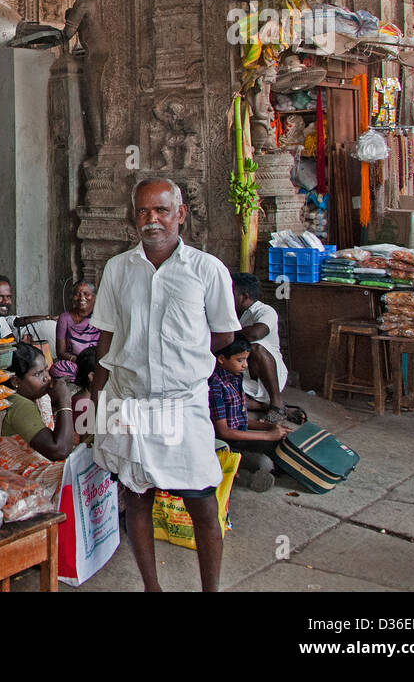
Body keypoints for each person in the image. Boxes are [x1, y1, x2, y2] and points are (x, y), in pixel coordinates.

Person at [89, 178, 241, 592]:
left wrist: (183, 354)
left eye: (160, 210)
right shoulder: (118, 269)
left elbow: (224, 335)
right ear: (133, 216)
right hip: (128, 398)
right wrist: (97, 398)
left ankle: (210, 589)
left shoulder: (207, 270)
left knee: (202, 499)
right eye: (143, 211)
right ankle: (151, 588)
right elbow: (106, 335)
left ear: (180, 214)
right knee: (137, 496)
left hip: (182, 401)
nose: (151, 219)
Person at [208, 338, 289, 492]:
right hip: (222, 443)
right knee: (264, 462)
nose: (245, 365)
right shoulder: (215, 385)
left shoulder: (235, 377)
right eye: (240, 360)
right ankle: (241, 477)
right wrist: (267, 435)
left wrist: (270, 427)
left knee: (283, 446)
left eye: (246, 359)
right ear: (221, 359)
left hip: (238, 437)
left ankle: (244, 472)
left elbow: (239, 420)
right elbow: (224, 431)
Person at [230, 272, 298, 423]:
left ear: (244, 296)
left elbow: (255, 333)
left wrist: (227, 332)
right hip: (244, 374)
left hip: (268, 376)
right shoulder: (234, 314)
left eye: (231, 293)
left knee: (256, 348)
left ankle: (276, 401)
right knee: (223, 400)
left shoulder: (265, 311)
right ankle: (271, 407)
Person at [1, 342, 76, 473]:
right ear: (15, 381)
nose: (47, 378)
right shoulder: (17, 404)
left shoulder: (41, 396)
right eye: (38, 374)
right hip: (18, 477)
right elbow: (59, 450)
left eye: (46, 370)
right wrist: (64, 402)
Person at [53, 280, 100, 385]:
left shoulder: (100, 318)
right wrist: (78, 361)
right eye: (77, 294)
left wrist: (89, 363)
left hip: (94, 363)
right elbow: (60, 353)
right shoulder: (64, 318)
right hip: (75, 363)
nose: (82, 298)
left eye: (86, 294)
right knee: (58, 368)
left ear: (95, 297)